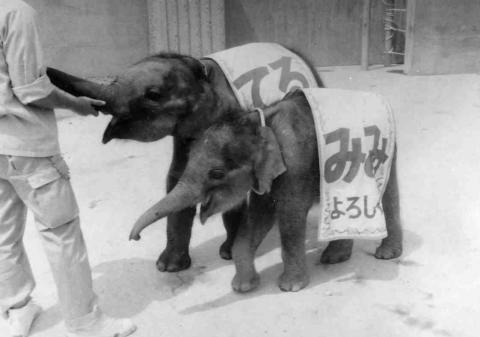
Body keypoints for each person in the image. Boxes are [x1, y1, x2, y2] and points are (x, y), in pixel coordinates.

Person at [0, 1, 137, 336]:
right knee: (61, 233)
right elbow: (32, 89)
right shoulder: (14, 11)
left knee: (2, 234)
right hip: (26, 145)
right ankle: (84, 321)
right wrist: (76, 104)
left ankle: (17, 309)